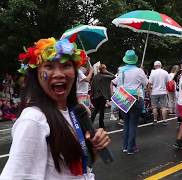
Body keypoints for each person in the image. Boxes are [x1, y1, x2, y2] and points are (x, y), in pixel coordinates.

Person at [0, 38, 110, 179]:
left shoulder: (74, 111)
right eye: (49, 66)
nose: (59, 74)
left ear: (75, 72)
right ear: (36, 75)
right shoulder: (33, 120)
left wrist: (94, 145)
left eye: (66, 66)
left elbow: (82, 166)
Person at [112, 50, 148, 155]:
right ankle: (131, 148)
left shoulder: (121, 70)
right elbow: (146, 84)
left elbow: (115, 83)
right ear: (134, 60)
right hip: (136, 98)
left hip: (123, 97)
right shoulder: (139, 71)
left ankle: (125, 146)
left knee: (126, 123)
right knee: (133, 124)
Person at [90, 64, 115, 129]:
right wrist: (107, 72)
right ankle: (101, 125)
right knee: (101, 111)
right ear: (103, 69)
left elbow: (92, 85)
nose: (106, 70)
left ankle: (90, 123)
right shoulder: (104, 76)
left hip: (95, 96)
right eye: (105, 69)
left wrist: (92, 95)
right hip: (101, 96)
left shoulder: (95, 76)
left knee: (96, 110)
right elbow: (113, 76)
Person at [148, 61, 170, 126]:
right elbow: (169, 82)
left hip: (154, 92)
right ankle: (164, 120)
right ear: (161, 65)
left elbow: (149, 83)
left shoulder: (152, 73)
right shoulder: (165, 72)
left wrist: (149, 91)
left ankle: (155, 120)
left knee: (154, 107)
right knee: (163, 107)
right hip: (163, 92)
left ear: (154, 66)